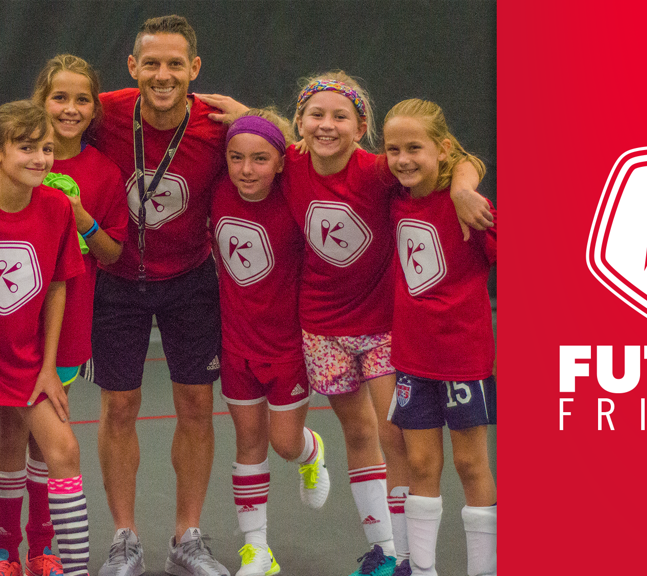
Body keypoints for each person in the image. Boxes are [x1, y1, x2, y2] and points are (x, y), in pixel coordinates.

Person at [201, 71, 489, 576]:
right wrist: (242, 112)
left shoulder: (379, 170)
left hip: (382, 326)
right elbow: (263, 139)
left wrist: (465, 185)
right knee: (358, 432)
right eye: (316, 115)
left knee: (394, 436)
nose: (327, 125)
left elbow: (459, 157)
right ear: (299, 123)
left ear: (361, 128)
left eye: (340, 116)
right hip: (321, 329)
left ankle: (407, 557)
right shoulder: (291, 163)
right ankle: (384, 549)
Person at [90, 14, 229, 576]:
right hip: (117, 280)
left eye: (175, 64)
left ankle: (186, 537)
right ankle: (124, 538)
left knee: (196, 405)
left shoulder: (219, 124)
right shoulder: (103, 113)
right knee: (119, 407)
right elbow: (36, 126)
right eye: (151, 63)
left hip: (190, 279)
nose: (163, 74)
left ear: (194, 68)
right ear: (133, 66)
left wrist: (252, 116)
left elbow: (293, 148)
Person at [0, 54, 127, 576]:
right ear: (41, 101)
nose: (70, 109)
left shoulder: (104, 172)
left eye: (82, 99)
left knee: (44, 446)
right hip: (9, 328)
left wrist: (81, 218)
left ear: (94, 108)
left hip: (66, 327)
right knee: (11, 433)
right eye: (59, 98)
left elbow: (113, 253)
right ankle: (6, 552)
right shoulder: (15, 162)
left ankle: (42, 548)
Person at [0, 100, 87, 576]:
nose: (40, 158)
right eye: (26, 148)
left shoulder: (56, 208)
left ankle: (69, 565)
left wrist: (47, 367)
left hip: (27, 362)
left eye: (46, 148)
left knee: (64, 452)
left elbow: (57, 285)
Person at [211, 108, 331, 576]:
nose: (246, 169)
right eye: (236, 157)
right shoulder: (217, 193)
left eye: (260, 159)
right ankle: (257, 549)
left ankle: (311, 451)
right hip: (236, 343)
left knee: (283, 443)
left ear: (282, 162)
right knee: (248, 441)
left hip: (288, 348)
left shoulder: (295, 199)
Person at [382, 99, 497, 576]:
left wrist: (465, 188)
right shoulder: (394, 198)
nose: (403, 159)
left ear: (443, 149)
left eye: (415, 148)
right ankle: (423, 570)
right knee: (421, 465)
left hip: (463, 359)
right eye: (393, 149)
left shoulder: (470, 209)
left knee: (470, 464)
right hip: (412, 357)